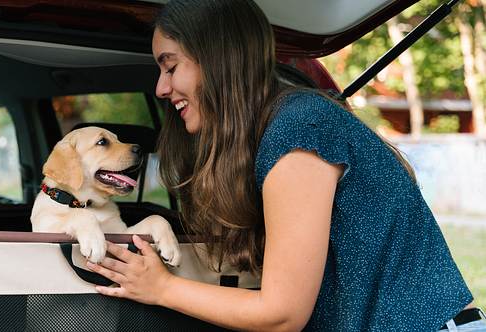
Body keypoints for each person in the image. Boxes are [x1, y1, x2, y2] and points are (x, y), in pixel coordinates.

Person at [85, 0, 486, 330]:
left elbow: (282, 314)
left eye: (170, 66)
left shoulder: (299, 127)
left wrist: (161, 288)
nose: (160, 87)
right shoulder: (273, 134)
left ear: (218, 58)